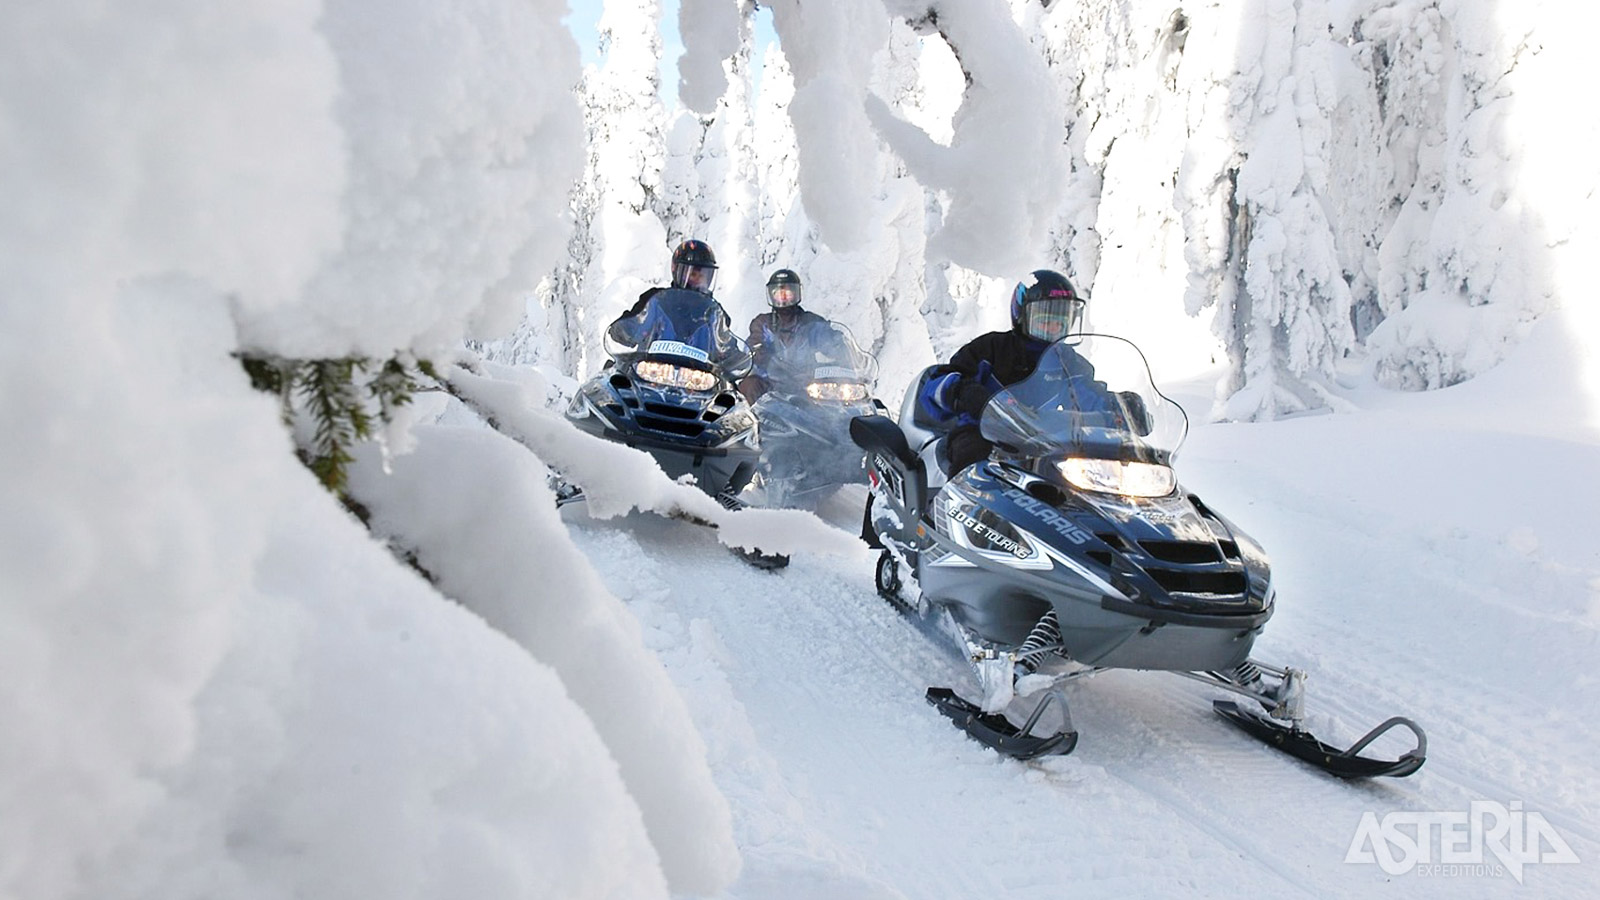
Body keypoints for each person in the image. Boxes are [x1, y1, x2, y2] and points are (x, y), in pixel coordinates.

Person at [923, 269, 1089, 475]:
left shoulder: (1069, 363)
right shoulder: (991, 348)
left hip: (1044, 440)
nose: (1052, 328)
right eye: (1044, 320)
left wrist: (1119, 409)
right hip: (984, 434)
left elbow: (1088, 394)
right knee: (972, 458)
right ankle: (951, 505)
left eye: (1060, 322)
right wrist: (962, 391)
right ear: (1022, 315)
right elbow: (934, 387)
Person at [607, 239, 733, 349]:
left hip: (698, 373)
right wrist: (625, 330)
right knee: (615, 374)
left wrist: (739, 361)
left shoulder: (713, 312)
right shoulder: (656, 300)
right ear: (677, 271)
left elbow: (726, 347)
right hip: (652, 368)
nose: (698, 280)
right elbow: (635, 324)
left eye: (703, 276)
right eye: (693, 274)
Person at [739, 268, 832, 401]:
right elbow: (753, 345)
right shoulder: (763, 323)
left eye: (788, 293)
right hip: (771, 384)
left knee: (833, 396)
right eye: (778, 293)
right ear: (771, 295)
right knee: (749, 385)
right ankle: (749, 420)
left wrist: (841, 347)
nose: (783, 298)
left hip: (805, 384)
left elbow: (828, 339)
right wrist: (768, 360)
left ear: (796, 293)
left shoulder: (811, 323)